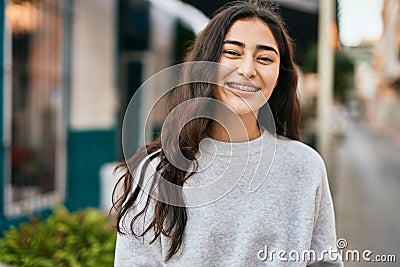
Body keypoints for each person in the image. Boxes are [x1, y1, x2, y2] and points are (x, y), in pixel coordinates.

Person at [113, 1, 343, 266]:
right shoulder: (156, 171)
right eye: (232, 53)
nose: (247, 70)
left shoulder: (305, 166)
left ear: (280, 75)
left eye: (265, 58)